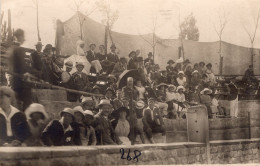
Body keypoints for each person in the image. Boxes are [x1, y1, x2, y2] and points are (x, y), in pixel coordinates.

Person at [8, 29, 36, 111]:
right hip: (19, 82)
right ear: (19, 37)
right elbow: (22, 67)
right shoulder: (19, 49)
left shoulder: (11, 49)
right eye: (23, 37)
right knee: (29, 95)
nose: (24, 39)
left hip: (13, 81)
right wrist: (28, 73)